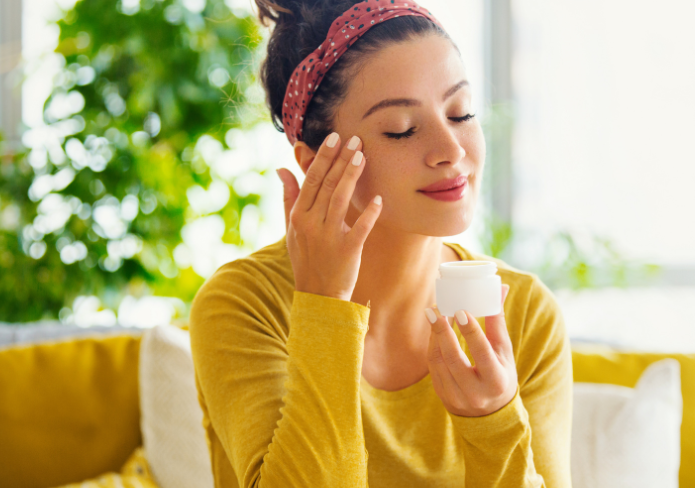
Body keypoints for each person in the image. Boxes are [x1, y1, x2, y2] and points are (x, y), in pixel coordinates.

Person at [188, 0, 573, 486]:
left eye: (461, 113)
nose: (452, 151)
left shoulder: (524, 315)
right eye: (401, 130)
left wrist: (495, 422)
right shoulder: (245, 305)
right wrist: (323, 307)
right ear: (314, 163)